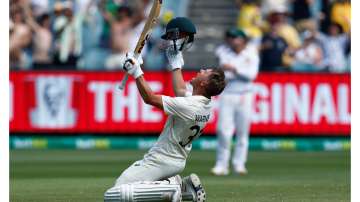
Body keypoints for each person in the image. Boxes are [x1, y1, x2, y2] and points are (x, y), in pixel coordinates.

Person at [104, 17, 227, 202]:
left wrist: (137, 71)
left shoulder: (190, 106)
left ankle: (173, 189)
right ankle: (185, 189)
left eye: (205, 72)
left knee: (115, 195)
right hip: (174, 161)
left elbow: (150, 98)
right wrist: (176, 63)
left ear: (203, 83)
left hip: (161, 160)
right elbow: (180, 91)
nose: (201, 69)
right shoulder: (205, 105)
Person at [211, 28, 259, 176]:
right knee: (223, 130)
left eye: (236, 38)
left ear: (243, 40)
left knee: (242, 131)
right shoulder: (223, 51)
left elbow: (251, 75)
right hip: (228, 94)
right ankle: (221, 165)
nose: (232, 41)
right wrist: (236, 71)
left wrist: (235, 69)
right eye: (230, 38)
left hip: (245, 95)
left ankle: (239, 164)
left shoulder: (251, 53)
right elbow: (223, 74)